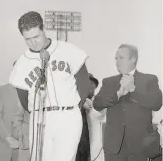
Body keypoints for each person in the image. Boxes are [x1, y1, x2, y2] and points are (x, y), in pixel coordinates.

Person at [9, 11, 92, 161]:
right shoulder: (21, 64)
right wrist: (39, 111)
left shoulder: (67, 49)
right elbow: (23, 99)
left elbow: (84, 84)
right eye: (28, 39)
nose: (33, 42)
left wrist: (72, 109)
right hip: (39, 117)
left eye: (36, 36)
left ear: (43, 29)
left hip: (68, 115)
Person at [93, 44, 162, 161]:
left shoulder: (149, 80)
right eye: (116, 58)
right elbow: (97, 103)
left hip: (141, 147)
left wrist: (133, 90)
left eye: (121, 57)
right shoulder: (109, 82)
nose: (117, 61)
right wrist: (118, 94)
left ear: (133, 59)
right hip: (114, 148)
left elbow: (156, 104)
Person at [76, 74, 100, 161]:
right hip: (76, 143)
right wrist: (81, 102)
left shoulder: (97, 102)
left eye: (93, 85)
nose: (92, 87)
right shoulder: (74, 101)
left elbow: (100, 114)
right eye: (89, 84)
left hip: (89, 144)